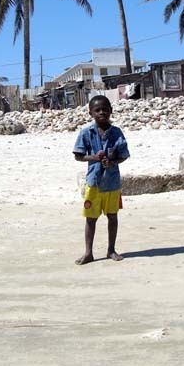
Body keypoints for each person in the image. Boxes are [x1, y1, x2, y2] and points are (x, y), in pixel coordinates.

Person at [73, 95, 130, 265]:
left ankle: (111, 250)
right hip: (94, 183)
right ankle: (88, 252)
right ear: (90, 113)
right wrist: (94, 158)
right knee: (91, 219)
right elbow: (78, 156)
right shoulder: (86, 133)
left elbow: (124, 155)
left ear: (111, 111)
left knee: (112, 217)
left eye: (105, 109)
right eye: (97, 110)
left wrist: (112, 162)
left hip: (112, 183)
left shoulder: (117, 132)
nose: (101, 112)